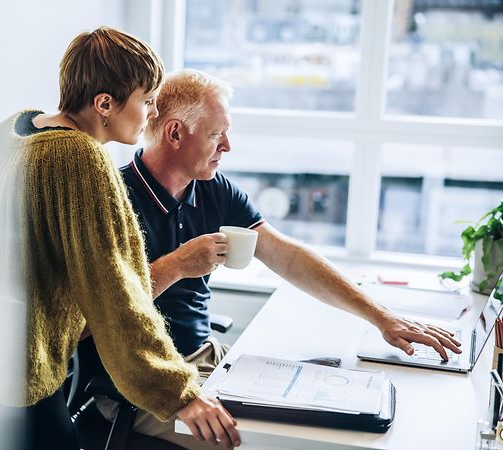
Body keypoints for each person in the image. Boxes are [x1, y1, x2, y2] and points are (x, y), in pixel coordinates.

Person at [95, 69, 463, 449]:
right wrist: (177, 265)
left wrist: (380, 316)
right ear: (175, 134)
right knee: (261, 441)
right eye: (216, 134)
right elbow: (99, 312)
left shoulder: (212, 188)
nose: (227, 147)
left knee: (323, 399)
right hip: (138, 383)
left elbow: (288, 257)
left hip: (205, 357)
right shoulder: (115, 200)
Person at [0, 30, 240, 450]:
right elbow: (116, 296)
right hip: (10, 369)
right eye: (147, 100)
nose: (153, 112)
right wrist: (180, 395)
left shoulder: (13, 131)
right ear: (105, 104)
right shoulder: (80, 160)